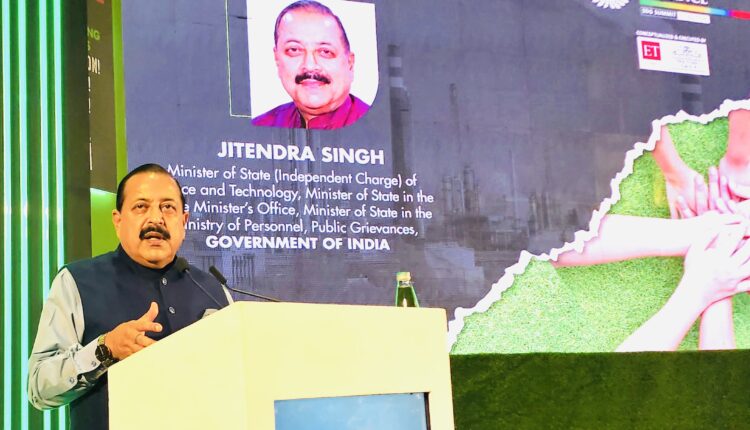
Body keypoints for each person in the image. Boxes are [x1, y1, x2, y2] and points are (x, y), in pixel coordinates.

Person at [27, 163, 230, 430]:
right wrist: (105, 349)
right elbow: (39, 387)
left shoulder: (213, 290)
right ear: (118, 220)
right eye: (141, 207)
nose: (156, 219)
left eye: (168, 207)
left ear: (184, 221)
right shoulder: (76, 281)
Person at [251, 0, 370, 130]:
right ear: (277, 59)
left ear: (350, 64)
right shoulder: (260, 128)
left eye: (325, 52)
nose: (310, 66)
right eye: (294, 50)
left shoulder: (380, 128)